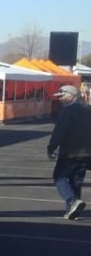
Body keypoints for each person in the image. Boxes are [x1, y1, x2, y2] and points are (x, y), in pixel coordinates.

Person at [48, 83, 91, 220]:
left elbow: (59, 132)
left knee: (59, 178)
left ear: (72, 96)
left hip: (70, 152)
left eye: (62, 95)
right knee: (76, 181)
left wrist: (51, 147)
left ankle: (72, 201)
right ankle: (72, 212)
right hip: (86, 153)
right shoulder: (88, 110)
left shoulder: (66, 111)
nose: (59, 98)